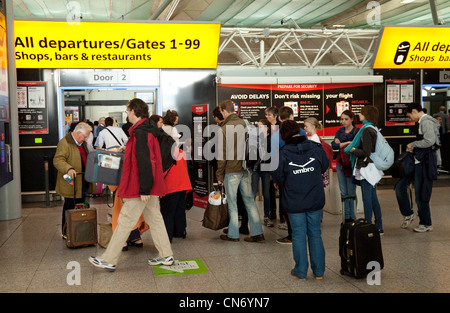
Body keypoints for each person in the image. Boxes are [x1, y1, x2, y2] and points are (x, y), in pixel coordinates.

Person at [89, 98, 174, 271]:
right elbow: (143, 155)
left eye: (127, 111)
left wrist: (144, 188)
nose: (126, 114)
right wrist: (126, 148)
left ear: (134, 111)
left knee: (125, 220)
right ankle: (166, 256)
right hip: (148, 184)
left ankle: (109, 259)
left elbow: (145, 161)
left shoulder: (141, 132)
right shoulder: (147, 128)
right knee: (155, 220)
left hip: (140, 186)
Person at [272, 120, 328, 280]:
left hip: (294, 199)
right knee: (315, 233)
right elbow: (324, 166)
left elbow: (278, 176)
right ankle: (319, 272)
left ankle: (301, 271)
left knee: (298, 235)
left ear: (283, 135)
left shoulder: (282, 153)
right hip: (315, 198)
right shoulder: (316, 148)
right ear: (299, 131)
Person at [216, 99, 264, 242]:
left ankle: (233, 234)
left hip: (232, 170)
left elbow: (221, 155)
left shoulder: (223, 129)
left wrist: (219, 174)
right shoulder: (245, 124)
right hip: (246, 168)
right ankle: (257, 233)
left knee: (232, 203)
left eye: (221, 112)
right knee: (250, 201)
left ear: (224, 111)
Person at [395, 103, 439, 232]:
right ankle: (412, 215)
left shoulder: (425, 122)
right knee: (401, 187)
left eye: (410, 116)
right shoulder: (425, 122)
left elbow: (429, 141)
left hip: (423, 163)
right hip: (419, 162)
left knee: (421, 194)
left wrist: (413, 144)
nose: (410, 119)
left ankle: (425, 223)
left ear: (414, 111)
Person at [344, 106, 384, 235]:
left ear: (367, 115)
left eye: (361, 113)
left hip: (367, 167)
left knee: (367, 198)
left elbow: (366, 151)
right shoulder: (373, 129)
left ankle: (368, 225)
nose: (359, 115)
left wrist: (354, 150)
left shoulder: (366, 130)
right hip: (373, 167)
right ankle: (378, 226)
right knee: (373, 198)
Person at [272, 106, 307, 243]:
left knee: (287, 204)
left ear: (279, 118)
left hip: (286, 174)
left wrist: (275, 178)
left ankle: (292, 235)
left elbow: (275, 158)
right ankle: (302, 231)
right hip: (303, 172)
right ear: (292, 116)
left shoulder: (276, 135)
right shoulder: (302, 132)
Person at [54, 122, 94, 233]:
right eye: (85, 136)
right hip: (71, 182)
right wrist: (69, 168)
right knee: (70, 206)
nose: (86, 139)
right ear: (77, 133)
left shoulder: (82, 144)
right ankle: (67, 232)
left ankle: (79, 232)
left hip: (82, 180)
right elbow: (58, 160)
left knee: (81, 205)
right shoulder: (65, 143)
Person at [160, 145, 192, 241]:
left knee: (167, 211)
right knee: (180, 208)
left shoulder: (164, 153)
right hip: (183, 184)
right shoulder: (181, 152)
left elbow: (162, 171)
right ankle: (180, 231)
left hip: (170, 186)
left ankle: (167, 236)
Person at [332, 110, 359, 222]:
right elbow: (334, 144)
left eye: (346, 119)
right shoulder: (339, 131)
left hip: (351, 163)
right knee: (343, 191)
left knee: (351, 191)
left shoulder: (356, 131)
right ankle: (346, 217)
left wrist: (341, 143)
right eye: (342, 119)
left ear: (352, 119)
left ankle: (352, 216)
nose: (343, 121)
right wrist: (347, 143)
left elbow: (356, 145)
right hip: (340, 162)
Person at [251, 119, 273, 227]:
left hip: (267, 169)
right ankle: (252, 216)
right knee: (253, 193)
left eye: (260, 126)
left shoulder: (271, 139)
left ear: (267, 128)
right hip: (255, 168)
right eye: (257, 126)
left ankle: (266, 216)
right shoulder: (254, 138)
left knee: (266, 194)